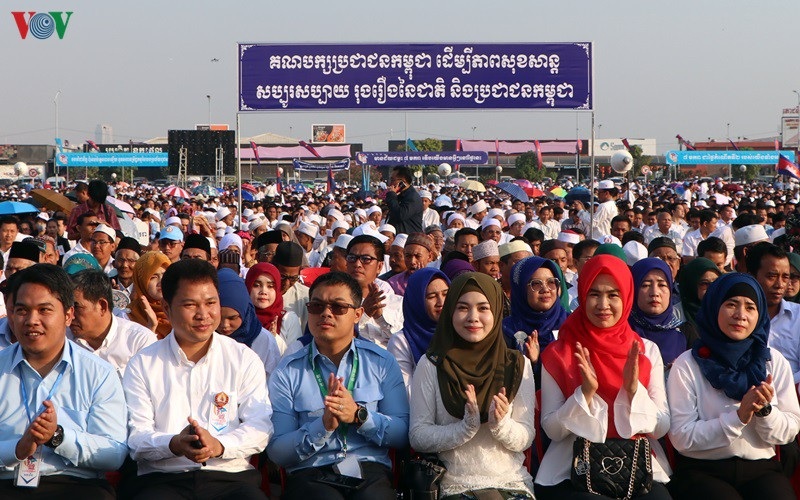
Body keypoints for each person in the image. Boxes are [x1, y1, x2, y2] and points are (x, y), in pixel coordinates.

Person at [124, 259, 273, 500]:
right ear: (167, 306)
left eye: (211, 303)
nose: (203, 314)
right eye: (190, 304)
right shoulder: (143, 364)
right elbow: (136, 437)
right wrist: (173, 443)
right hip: (163, 479)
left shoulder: (243, 358)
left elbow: (260, 425)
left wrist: (220, 445)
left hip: (229, 477)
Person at [535, 254, 671, 500]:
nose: (603, 305)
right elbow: (552, 429)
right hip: (573, 468)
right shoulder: (560, 352)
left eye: (613, 295)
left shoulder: (646, 350)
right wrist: (584, 394)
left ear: (627, 297)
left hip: (636, 467)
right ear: (583, 295)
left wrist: (633, 390)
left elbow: (661, 427)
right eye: (594, 294)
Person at [268, 272, 409, 500]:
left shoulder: (381, 362)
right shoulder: (288, 370)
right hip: (311, 471)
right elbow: (277, 450)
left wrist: (359, 416)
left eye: (338, 307)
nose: (326, 313)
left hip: (368, 469)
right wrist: (322, 427)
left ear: (357, 314)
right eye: (317, 306)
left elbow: (402, 434)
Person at [666, 273, 800, 500]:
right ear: (714, 306)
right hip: (703, 471)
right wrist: (737, 417)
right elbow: (682, 437)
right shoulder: (688, 364)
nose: (740, 315)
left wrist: (765, 411)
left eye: (750, 307)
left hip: (761, 469)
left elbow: (790, 429)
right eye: (731, 304)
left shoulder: (772, 361)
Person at [0, 264, 127, 498]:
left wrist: (58, 437)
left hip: (75, 485)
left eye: (44, 310)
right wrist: (17, 449)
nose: (31, 320)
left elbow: (114, 453)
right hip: (7, 481)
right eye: (21, 310)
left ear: (68, 315)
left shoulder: (98, 373)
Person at [409, 272, 535, 498]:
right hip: (452, 483)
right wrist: (464, 428)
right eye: (463, 308)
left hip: (510, 482)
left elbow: (526, 437)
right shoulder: (432, 364)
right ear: (450, 312)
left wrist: (501, 424)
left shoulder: (516, 364)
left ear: (496, 311)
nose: (473, 317)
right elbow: (418, 436)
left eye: (483, 308)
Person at [68, 269, 156, 377]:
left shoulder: (139, 341)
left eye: (76, 307)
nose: (69, 315)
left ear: (102, 306)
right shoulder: (61, 338)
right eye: (67, 307)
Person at [387, 268, 450, 396]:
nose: (441, 302)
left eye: (446, 294)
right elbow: (405, 392)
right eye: (431, 296)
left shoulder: (459, 332)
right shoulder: (401, 341)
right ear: (417, 301)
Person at [502, 256, 568, 378]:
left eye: (551, 282)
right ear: (521, 289)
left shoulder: (571, 324)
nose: (545, 289)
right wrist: (530, 363)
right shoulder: (506, 330)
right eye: (536, 284)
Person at [217, 267, 282, 377]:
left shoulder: (264, 341)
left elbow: (271, 382)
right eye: (218, 318)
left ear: (244, 311)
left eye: (233, 318)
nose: (225, 325)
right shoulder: (203, 337)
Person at [629, 258, 686, 369]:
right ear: (634, 290)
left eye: (662, 285)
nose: (655, 293)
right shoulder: (623, 330)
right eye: (645, 285)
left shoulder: (684, 332)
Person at [245, 262, 302, 352]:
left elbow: (295, 357)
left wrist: (274, 338)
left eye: (270, 286)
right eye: (256, 285)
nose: (263, 291)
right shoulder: (239, 317)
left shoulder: (288, 319)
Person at [677, 257, 722, 347]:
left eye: (716, 282)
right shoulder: (675, 315)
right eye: (704, 283)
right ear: (691, 285)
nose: (711, 288)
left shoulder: (724, 312)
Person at [127, 251, 172, 338]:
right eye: (153, 277)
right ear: (141, 282)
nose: (161, 282)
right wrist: (151, 328)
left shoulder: (181, 309)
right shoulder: (129, 316)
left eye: (165, 275)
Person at [384, 166, 423, 234]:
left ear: (403, 181)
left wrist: (391, 194)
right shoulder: (400, 195)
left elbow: (400, 215)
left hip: (408, 238)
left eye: (393, 180)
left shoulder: (412, 197)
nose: (390, 184)